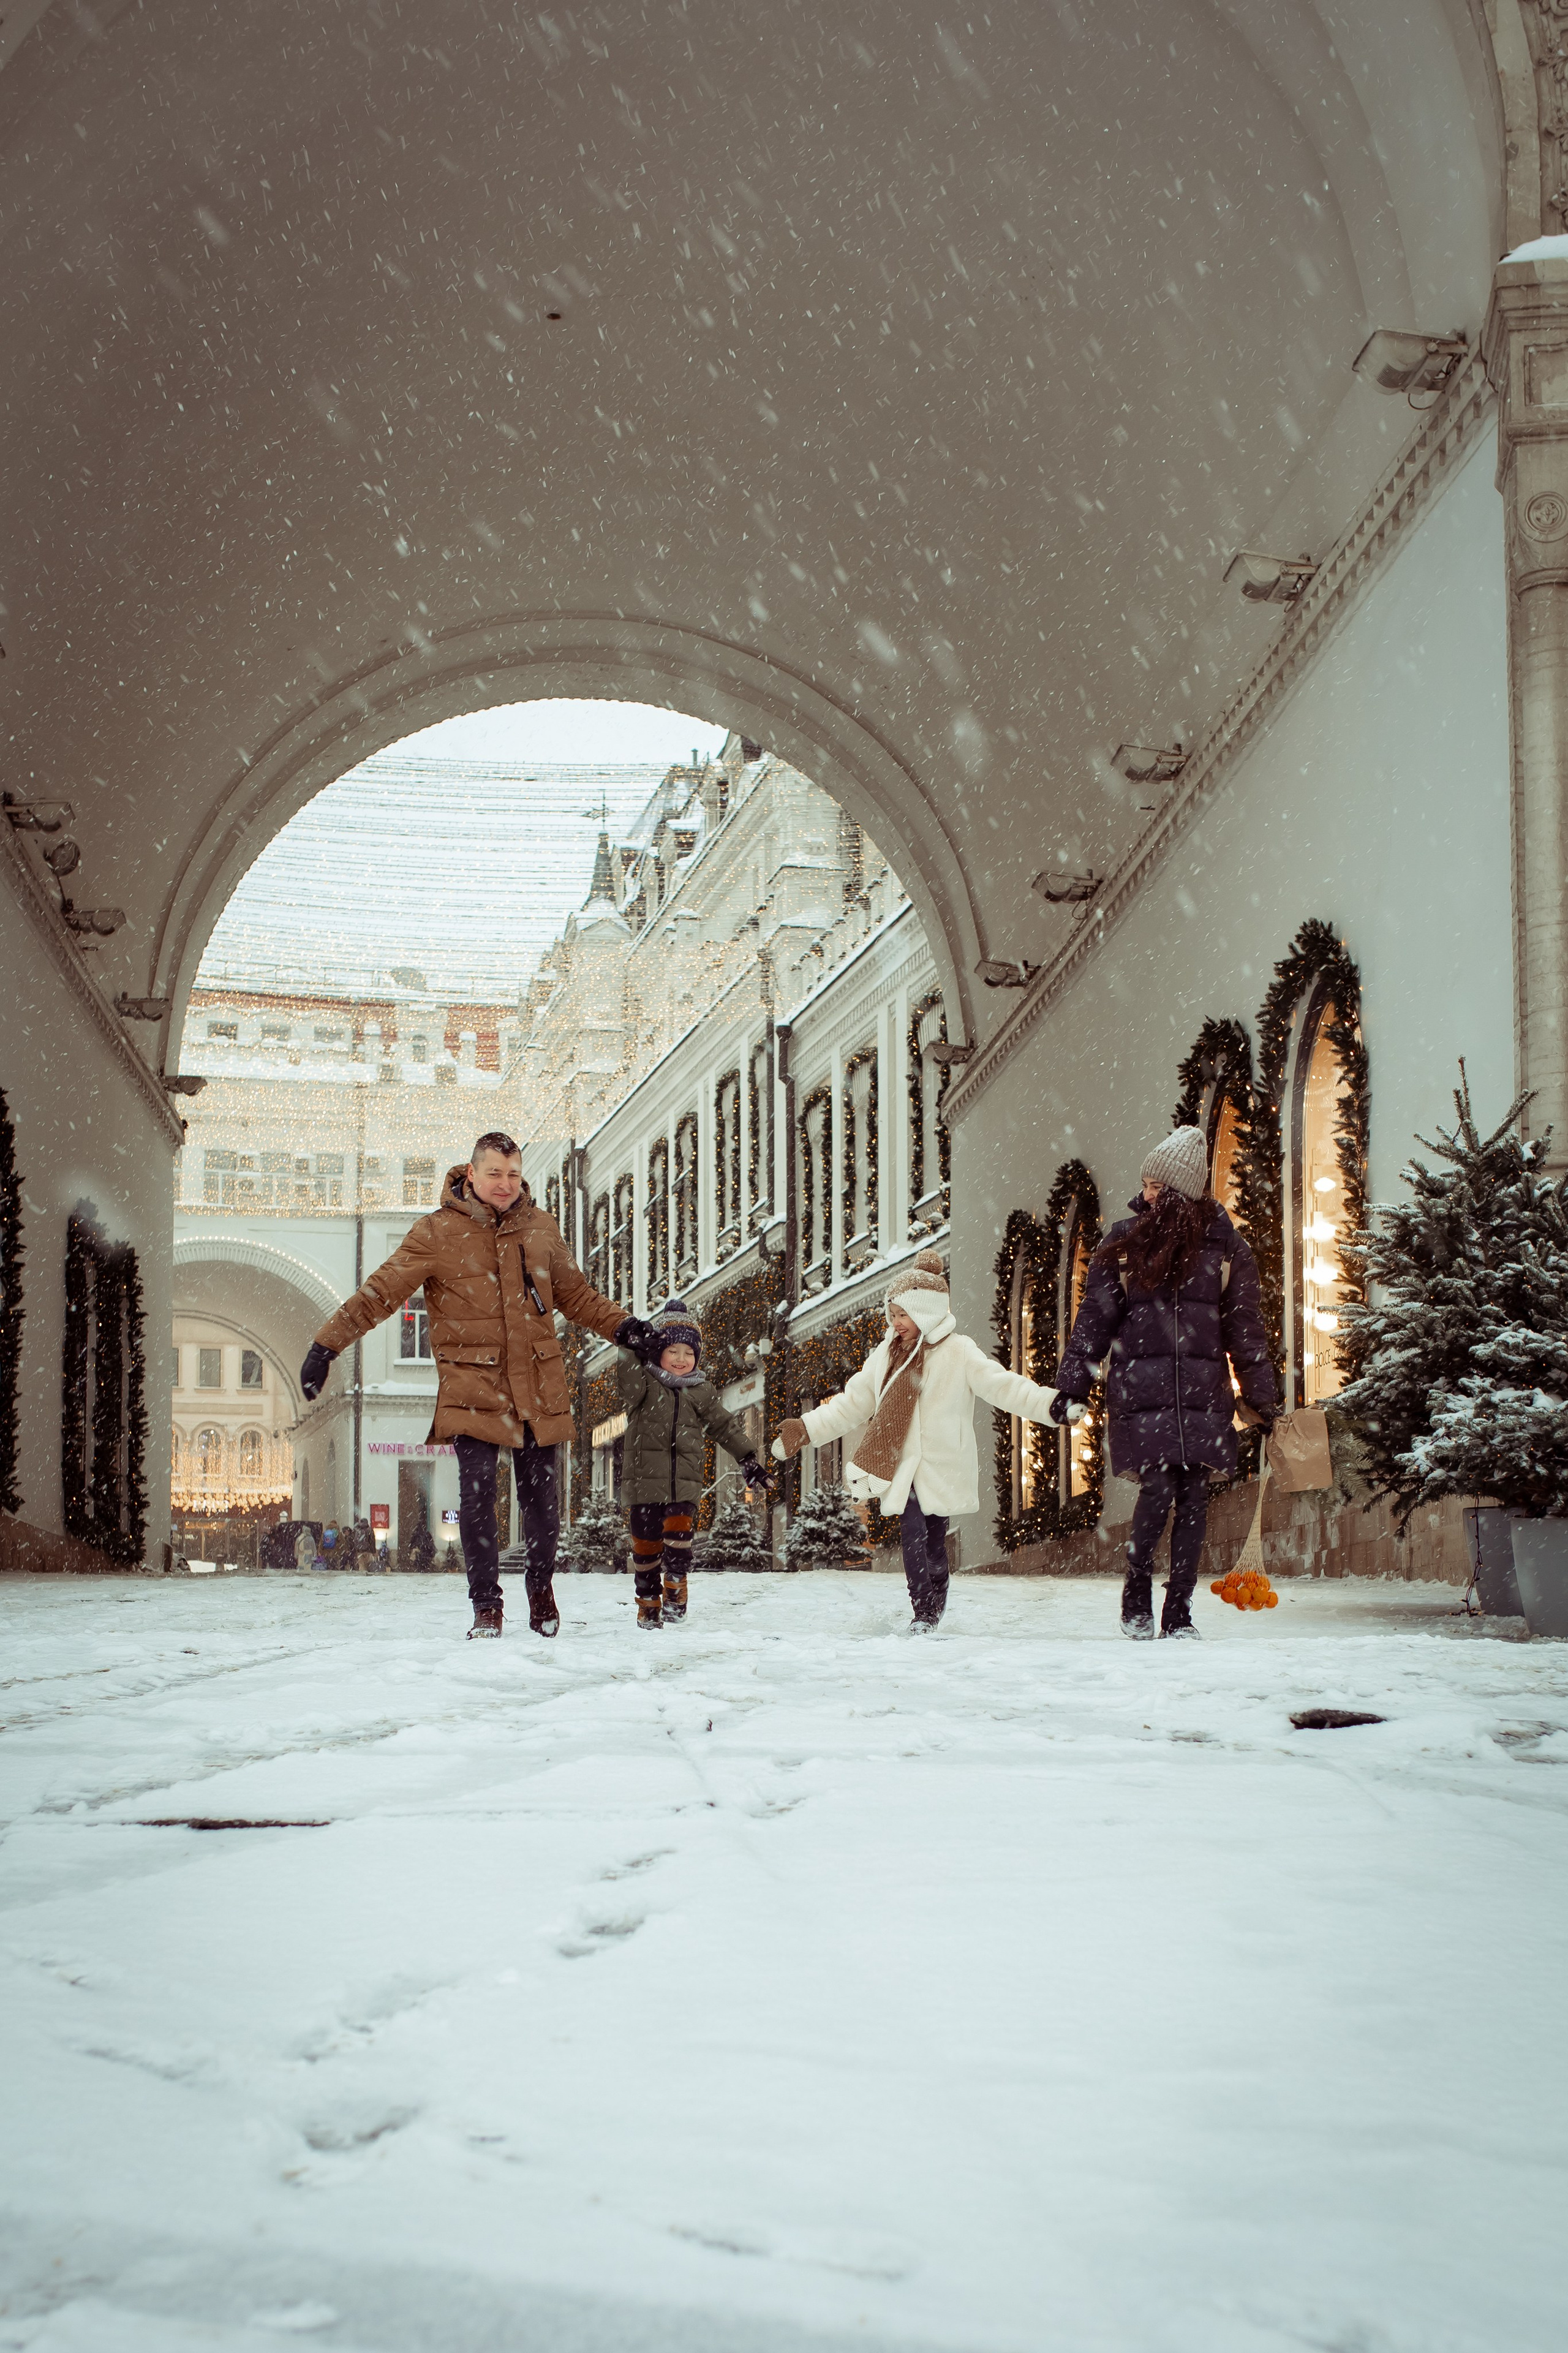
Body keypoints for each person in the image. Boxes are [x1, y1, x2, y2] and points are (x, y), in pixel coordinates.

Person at [299, 1131, 653, 1639]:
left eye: (513, 1173)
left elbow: (577, 1296)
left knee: (542, 1501)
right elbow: (379, 1293)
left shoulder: (542, 1227)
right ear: (472, 1174)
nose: (506, 1183)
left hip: (536, 1382)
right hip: (474, 1383)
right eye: (494, 1173)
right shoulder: (437, 1232)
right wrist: (326, 1345)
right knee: (478, 1495)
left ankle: (540, 1588)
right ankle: (486, 1604)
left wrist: (626, 1328)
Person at [1050, 1125, 1278, 1640]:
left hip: (1202, 1392)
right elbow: (1094, 1321)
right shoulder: (1125, 1244)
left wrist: (1264, 1401)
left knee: (1195, 1496)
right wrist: (1072, 1387)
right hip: (1141, 1390)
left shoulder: (1226, 1249)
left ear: (1181, 1188)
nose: (1146, 1193)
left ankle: (1180, 1610)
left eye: (1156, 1185)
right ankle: (1136, 1590)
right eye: (1146, 1183)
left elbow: (1246, 1330)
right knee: (1157, 1489)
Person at [771, 1250, 1060, 1629]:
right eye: (892, 1314)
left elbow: (1003, 1386)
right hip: (900, 1463)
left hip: (941, 1465)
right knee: (912, 1533)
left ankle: (936, 1591)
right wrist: (805, 1429)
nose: (896, 1323)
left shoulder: (959, 1352)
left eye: (903, 1314)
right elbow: (850, 1404)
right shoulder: (884, 1357)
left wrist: (1049, 1405)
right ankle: (922, 1611)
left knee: (936, 1546)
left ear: (926, 1311)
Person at [617, 1297, 773, 1628]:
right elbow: (627, 1374)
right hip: (644, 1483)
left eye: (689, 1353)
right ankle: (648, 1602)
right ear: (658, 1351)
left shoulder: (701, 1389)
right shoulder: (643, 1384)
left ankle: (675, 1589)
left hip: (685, 1482)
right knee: (645, 1550)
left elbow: (723, 1425)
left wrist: (747, 1457)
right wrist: (630, 1346)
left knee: (679, 1545)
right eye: (673, 1351)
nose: (681, 1359)